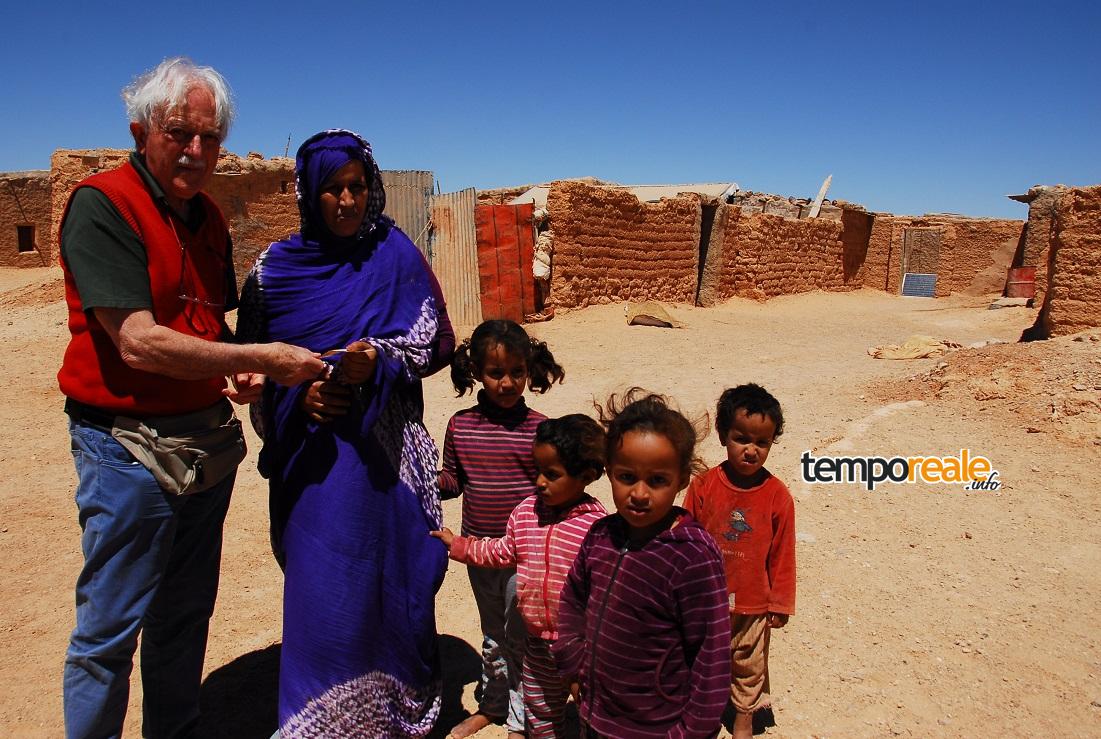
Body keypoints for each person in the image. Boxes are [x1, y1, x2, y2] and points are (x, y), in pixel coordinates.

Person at [57, 57, 324, 739]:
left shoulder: (206, 217)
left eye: (210, 137)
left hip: (202, 442)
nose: (197, 151)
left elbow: (205, 322)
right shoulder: (104, 204)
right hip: (127, 446)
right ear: (141, 129)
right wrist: (256, 356)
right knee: (111, 628)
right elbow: (139, 342)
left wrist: (233, 366)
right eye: (180, 134)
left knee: (183, 613)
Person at [234, 129, 455, 737]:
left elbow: (437, 338)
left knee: (391, 586)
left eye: (357, 187)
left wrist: (377, 360)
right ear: (309, 193)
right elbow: (250, 360)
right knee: (325, 597)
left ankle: (394, 713)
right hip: (316, 464)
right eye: (333, 189)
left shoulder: (395, 253)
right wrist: (296, 392)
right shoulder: (273, 272)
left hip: (385, 466)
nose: (347, 201)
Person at [553, 389, 731, 738]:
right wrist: (572, 666)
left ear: (681, 480)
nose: (639, 493)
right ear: (608, 471)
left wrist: (692, 731)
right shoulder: (601, 535)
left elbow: (711, 654)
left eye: (658, 480)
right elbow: (573, 600)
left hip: (657, 726)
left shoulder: (692, 556)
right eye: (627, 476)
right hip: (595, 714)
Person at [432, 415, 608, 738]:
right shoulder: (526, 513)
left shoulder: (597, 527)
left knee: (591, 716)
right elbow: (500, 551)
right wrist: (459, 545)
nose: (540, 481)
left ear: (586, 476)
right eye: (537, 470)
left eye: (552, 474)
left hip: (581, 647)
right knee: (541, 714)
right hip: (536, 644)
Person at [438, 319, 565, 738]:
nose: (508, 383)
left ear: (530, 371)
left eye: (517, 372)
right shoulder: (460, 426)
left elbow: (555, 489)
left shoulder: (540, 429)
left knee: (522, 636)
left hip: (525, 556)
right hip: (477, 551)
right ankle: (491, 706)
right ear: (476, 372)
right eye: (496, 373)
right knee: (492, 633)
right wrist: (420, 477)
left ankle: (522, 715)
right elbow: (452, 483)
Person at [683, 384, 795, 739]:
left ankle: (744, 714)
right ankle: (701, 708)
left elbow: (782, 554)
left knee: (748, 661)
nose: (751, 450)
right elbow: (685, 538)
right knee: (702, 656)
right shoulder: (703, 486)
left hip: (752, 602)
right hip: (708, 599)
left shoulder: (778, 496)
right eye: (741, 438)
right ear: (722, 435)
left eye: (761, 443)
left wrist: (780, 602)